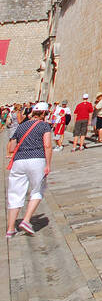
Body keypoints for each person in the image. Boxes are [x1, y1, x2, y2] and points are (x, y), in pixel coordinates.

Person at [6, 101, 53, 237]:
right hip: (37, 159)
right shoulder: (44, 126)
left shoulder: (21, 126)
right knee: (38, 190)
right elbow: (48, 145)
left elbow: (11, 147)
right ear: (44, 113)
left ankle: (10, 229)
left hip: (19, 161)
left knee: (15, 193)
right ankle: (26, 220)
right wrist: (48, 164)